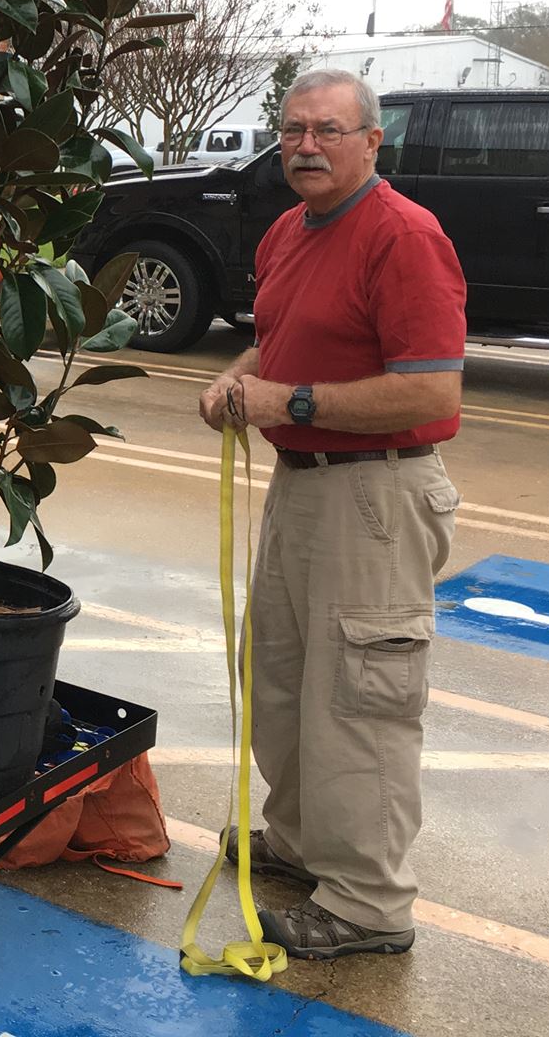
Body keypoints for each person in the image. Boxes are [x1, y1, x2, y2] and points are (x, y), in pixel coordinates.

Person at [197, 68, 466, 960]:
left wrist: (291, 403)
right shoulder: (288, 230)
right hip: (303, 485)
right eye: (293, 129)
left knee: (360, 700)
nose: (306, 146)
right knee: (280, 676)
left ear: (371, 142)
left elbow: (430, 390)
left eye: (328, 130)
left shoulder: (403, 236)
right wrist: (242, 380)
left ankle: (368, 903)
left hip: (375, 493)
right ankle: (307, 843)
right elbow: (278, 341)